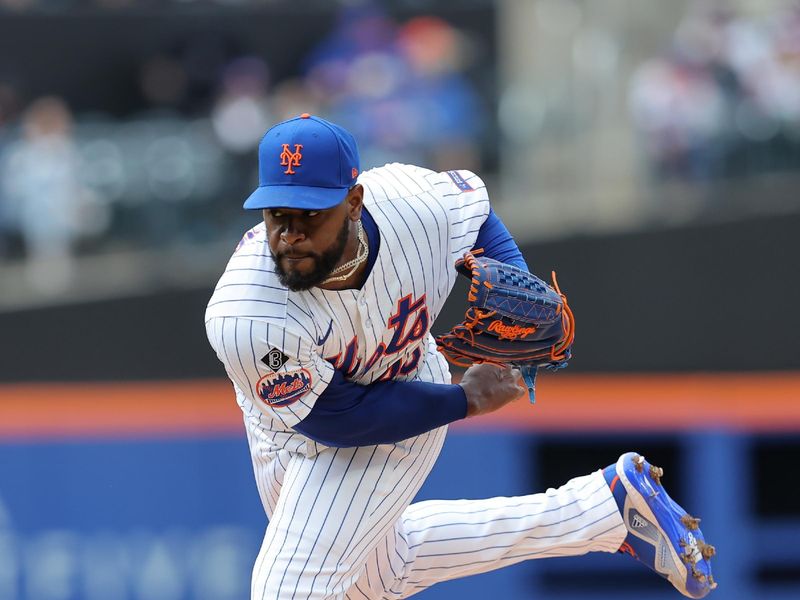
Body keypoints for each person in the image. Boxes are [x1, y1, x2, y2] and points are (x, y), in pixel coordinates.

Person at [205, 114, 716, 599]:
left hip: (405, 385)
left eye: (311, 215)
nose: (290, 235)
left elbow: (477, 218)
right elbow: (337, 416)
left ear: (355, 201)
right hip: (302, 419)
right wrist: (464, 401)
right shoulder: (247, 315)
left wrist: (524, 295)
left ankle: (603, 512)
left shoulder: (413, 203)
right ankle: (603, 511)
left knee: (290, 587)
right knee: (377, 577)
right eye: (278, 215)